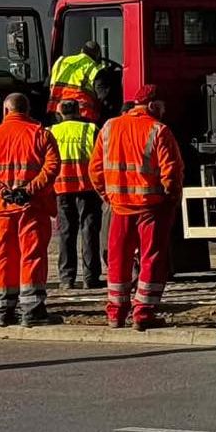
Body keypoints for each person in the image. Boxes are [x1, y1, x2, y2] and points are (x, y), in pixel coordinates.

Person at [89, 85, 182, 331]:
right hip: (150, 208)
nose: (163, 110)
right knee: (151, 258)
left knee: (118, 259)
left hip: (119, 207)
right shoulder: (159, 130)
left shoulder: (109, 127)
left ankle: (115, 314)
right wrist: (172, 197)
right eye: (161, 106)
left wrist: (107, 195)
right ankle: (143, 312)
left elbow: (95, 170)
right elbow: (170, 172)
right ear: (151, 105)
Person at [0, 93, 60, 327]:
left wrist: (2, 191)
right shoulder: (41, 135)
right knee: (31, 255)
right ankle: (32, 310)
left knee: (4, 256)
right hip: (32, 206)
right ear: (28, 109)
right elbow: (52, 168)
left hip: (2, 208)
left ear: (5, 110)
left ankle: (3, 310)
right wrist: (28, 190)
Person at [50, 99, 103, 290]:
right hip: (87, 188)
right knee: (89, 231)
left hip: (61, 188)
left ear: (60, 113)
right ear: (79, 111)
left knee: (66, 233)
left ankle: (67, 278)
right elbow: (99, 158)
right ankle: (91, 277)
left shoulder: (51, 132)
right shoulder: (91, 129)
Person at [47, 40, 104, 122]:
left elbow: (48, 83)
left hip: (55, 113)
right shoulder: (94, 68)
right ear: (98, 56)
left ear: (81, 51)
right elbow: (103, 97)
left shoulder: (60, 61)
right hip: (81, 116)